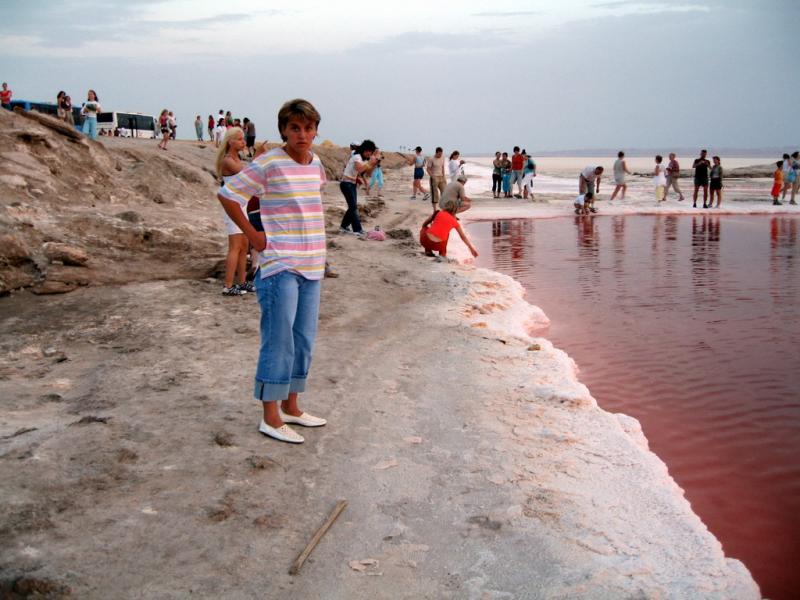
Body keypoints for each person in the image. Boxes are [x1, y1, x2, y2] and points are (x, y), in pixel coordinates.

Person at [217, 98, 327, 444]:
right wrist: (253, 236)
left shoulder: (316, 163)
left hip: (312, 264)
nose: (302, 134)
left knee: (303, 340)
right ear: (283, 129)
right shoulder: (269, 163)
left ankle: (293, 406)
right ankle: (270, 416)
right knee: (278, 340)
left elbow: (309, 202)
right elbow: (228, 194)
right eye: (295, 127)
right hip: (280, 264)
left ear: (316, 131)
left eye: (308, 128)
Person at [216, 127, 250, 295]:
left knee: (245, 246)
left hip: (242, 206)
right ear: (230, 142)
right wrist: (259, 157)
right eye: (239, 139)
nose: (243, 142)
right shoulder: (228, 160)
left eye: (243, 139)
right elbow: (246, 176)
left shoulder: (237, 158)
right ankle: (228, 285)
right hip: (232, 207)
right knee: (235, 247)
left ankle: (242, 282)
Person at [339, 139, 378, 237]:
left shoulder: (363, 159)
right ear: (365, 150)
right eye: (369, 151)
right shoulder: (356, 157)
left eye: (371, 152)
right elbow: (359, 169)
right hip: (345, 183)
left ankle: (343, 226)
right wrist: (370, 163)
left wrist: (374, 164)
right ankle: (357, 229)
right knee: (353, 207)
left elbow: (367, 173)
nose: (370, 154)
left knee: (353, 206)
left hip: (352, 184)